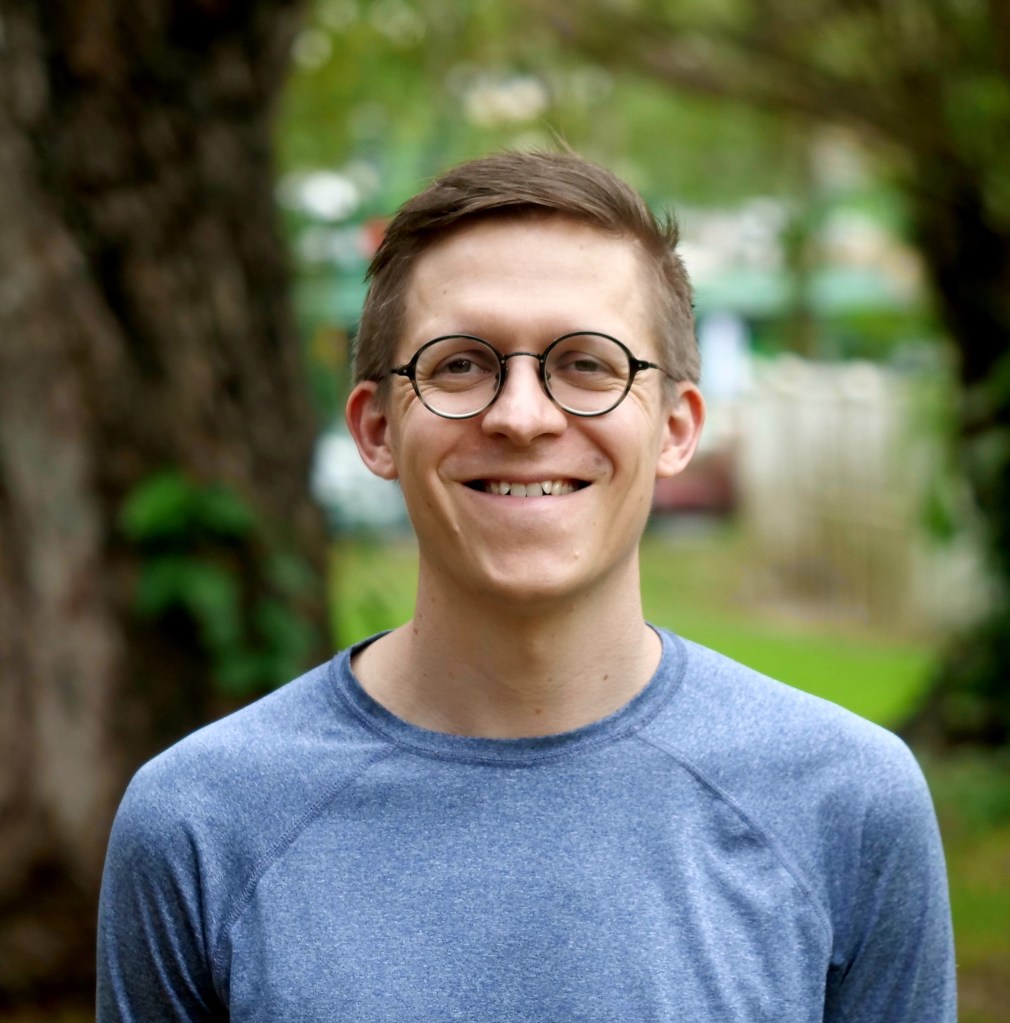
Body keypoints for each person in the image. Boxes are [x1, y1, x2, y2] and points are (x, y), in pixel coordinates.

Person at [97, 151, 956, 1022]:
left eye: (586, 363)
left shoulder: (846, 804)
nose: (521, 416)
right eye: (459, 364)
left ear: (675, 427)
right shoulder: (201, 824)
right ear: (377, 428)